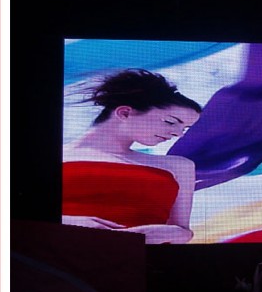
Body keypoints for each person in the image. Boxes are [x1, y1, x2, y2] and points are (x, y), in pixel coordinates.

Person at [62, 69, 202, 244]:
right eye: (171, 122)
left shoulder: (179, 166)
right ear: (124, 113)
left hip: (143, 256)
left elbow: (184, 232)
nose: (178, 134)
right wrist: (68, 222)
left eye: (185, 128)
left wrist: (168, 234)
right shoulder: (58, 155)